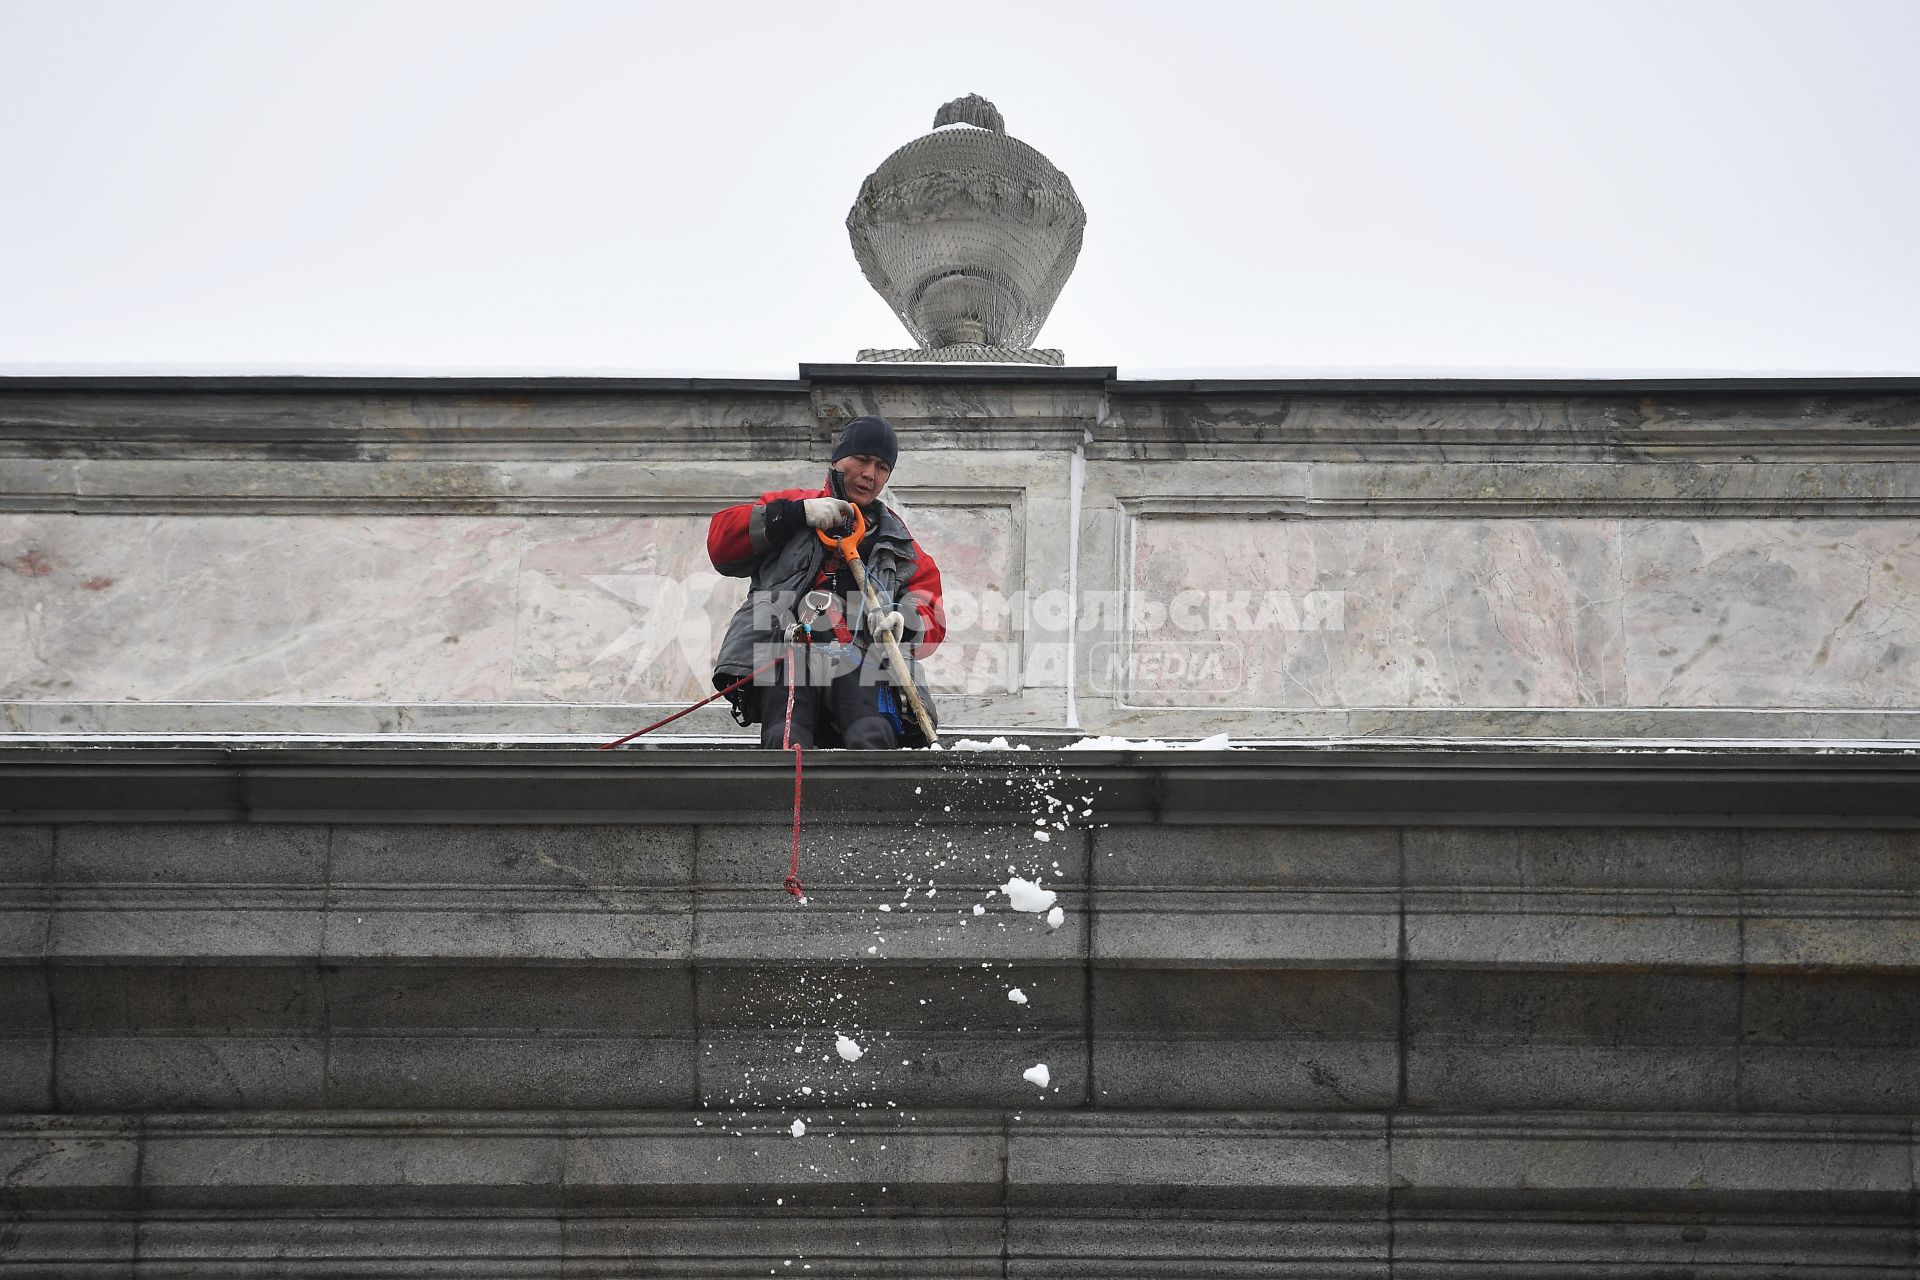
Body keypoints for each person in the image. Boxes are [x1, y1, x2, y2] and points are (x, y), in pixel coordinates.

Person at [706, 415, 943, 748]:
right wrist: (793, 515)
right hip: (787, 654)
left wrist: (905, 621)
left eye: (881, 467)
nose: (870, 474)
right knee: (785, 736)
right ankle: (785, 798)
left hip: (862, 663)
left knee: (870, 735)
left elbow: (931, 608)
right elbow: (721, 544)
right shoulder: (789, 507)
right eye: (862, 459)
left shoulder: (898, 544)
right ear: (838, 459)